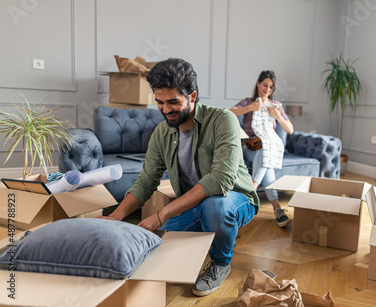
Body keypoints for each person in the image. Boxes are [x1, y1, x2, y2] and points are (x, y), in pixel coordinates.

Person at [99, 58, 259, 297]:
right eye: (160, 102)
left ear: (192, 96)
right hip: (194, 206)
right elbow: (146, 181)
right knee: (154, 249)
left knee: (215, 206)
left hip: (235, 199)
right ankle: (212, 235)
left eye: (173, 102)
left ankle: (220, 262)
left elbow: (220, 181)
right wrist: (115, 216)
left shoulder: (223, 120)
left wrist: (161, 214)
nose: (165, 110)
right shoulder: (161, 132)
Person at [230, 70, 293, 227]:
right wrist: (250, 108)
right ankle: (277, 208)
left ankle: (252, 190)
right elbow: (229, 114)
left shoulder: (276, 106)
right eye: (265, 85)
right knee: (266, 153)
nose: (267, 89)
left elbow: (290, 129)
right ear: (258, 83)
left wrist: (277, 116)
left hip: (267, 149)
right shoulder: (248, 102)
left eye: (271, 87)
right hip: (249, 147)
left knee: (266, 152)